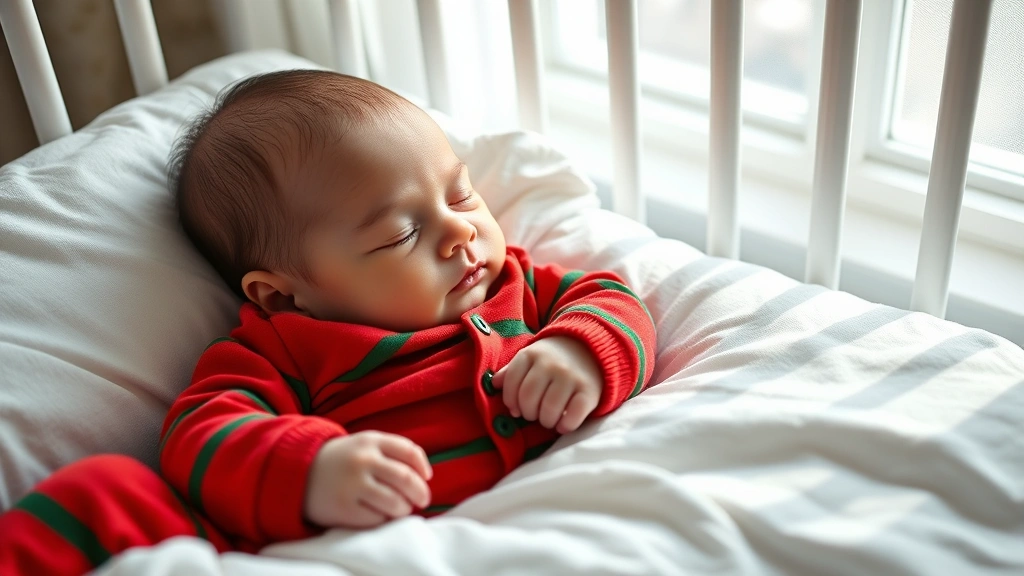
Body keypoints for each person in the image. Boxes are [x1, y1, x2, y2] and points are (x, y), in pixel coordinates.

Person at [0, 69, 656, 575]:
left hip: (494, 535)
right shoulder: (286, 349)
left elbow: (612, 300)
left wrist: (581, 350)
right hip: (303, 553)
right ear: (285, 297)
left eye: (460, 194)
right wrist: (312, 470)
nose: (460, 231)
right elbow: (202, 436)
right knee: (104, 491)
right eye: (401, 233)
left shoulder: (514, 286)